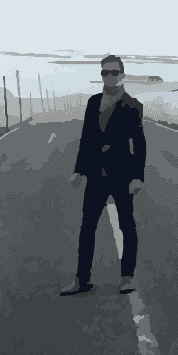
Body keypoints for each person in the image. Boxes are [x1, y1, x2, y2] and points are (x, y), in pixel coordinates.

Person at [61, 54, 147, 296]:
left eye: (113, 72)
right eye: (104, 73)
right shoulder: (93, 102)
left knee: (126, 226)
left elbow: (139, 143)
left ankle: (127, 277)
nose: (109, 77)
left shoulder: (133, 105)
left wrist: (138, 177)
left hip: (122, 174)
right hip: (96, 175)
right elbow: (86, 139)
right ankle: (82, 280)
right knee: (87, 227)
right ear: (101, 75)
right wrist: (78, 170)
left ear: (121, 74)